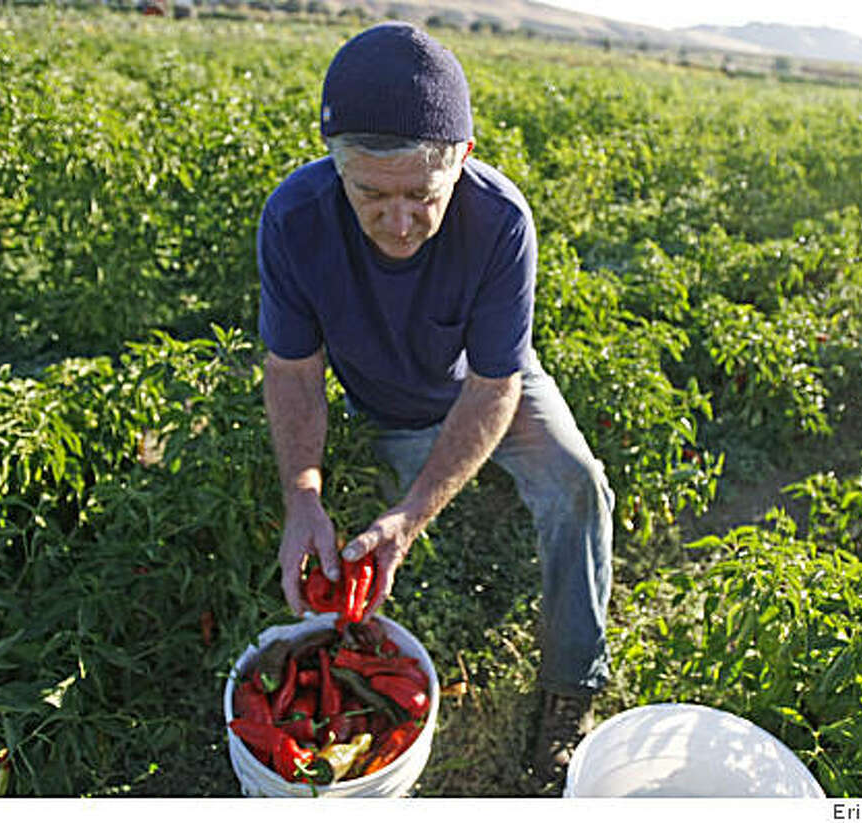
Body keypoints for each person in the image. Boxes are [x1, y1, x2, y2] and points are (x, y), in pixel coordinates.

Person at [256, 21, 614, 784]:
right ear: (334, 163)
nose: (399, 222)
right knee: (356, 554)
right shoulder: (293, 219)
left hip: (483, 381)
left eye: (423, 195)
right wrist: (302, 495)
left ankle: (570, 683)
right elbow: (293, 371)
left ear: (463, 158)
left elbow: (495, 384)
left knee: (577, 483)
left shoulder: (500, 221)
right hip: (376, 402)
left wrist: (411, 515)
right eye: (371, 194)